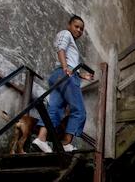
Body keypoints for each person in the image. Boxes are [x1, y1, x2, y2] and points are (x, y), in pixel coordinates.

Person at [33, 15, 93, 153]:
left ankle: (41, 139)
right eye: (76, 26)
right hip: (64, 75)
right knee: (79, 111)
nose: (79, 30)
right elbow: (61, 49)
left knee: (55, 109)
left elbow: (70, 63)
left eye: (81, 29)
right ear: (69, 25)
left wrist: (81, 75)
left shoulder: (72, 42)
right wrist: (65, 67)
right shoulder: (65, 34)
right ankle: (66, 143)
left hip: (61, 76)